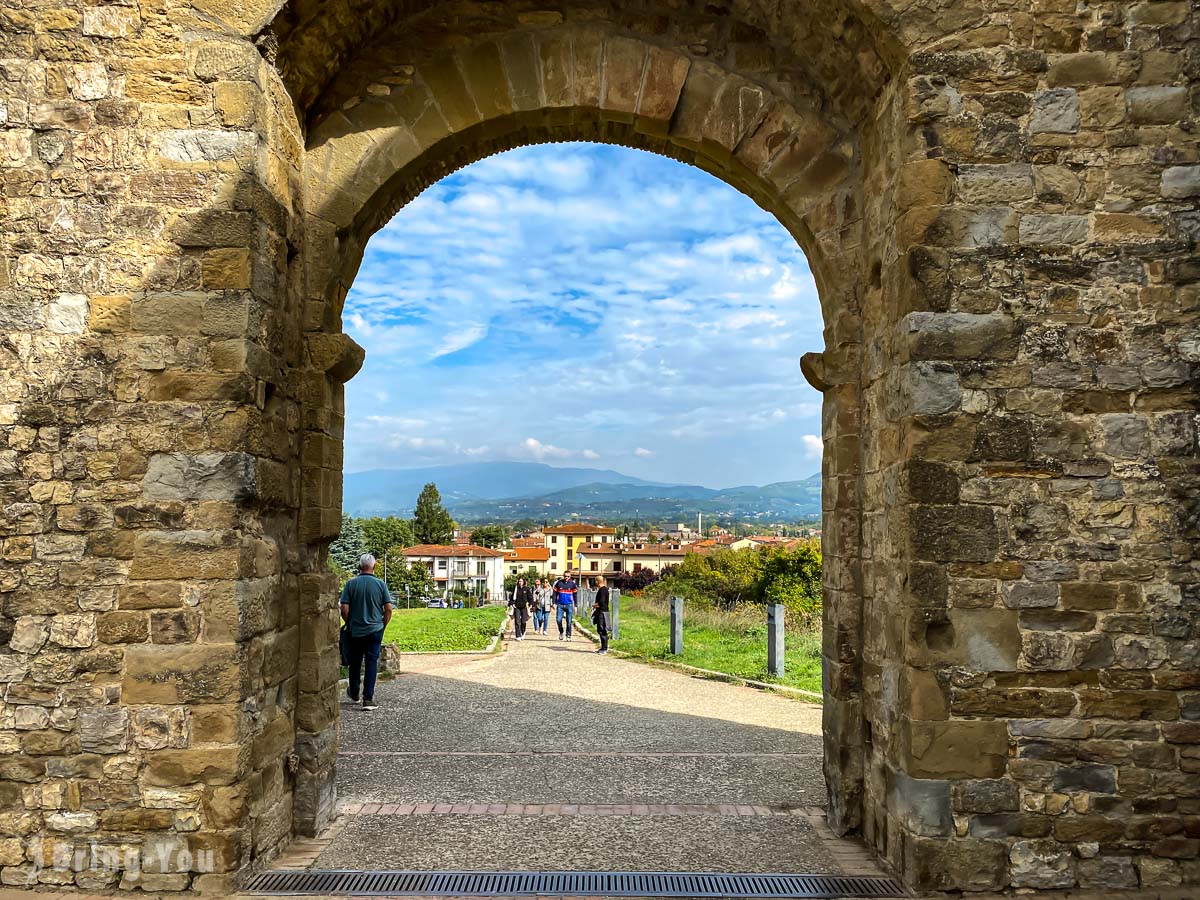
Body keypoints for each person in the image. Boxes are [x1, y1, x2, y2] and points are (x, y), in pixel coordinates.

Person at [339, 554, 393, 711]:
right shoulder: (381, 584)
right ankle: (368, 699)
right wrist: (382, 624)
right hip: (375, 629)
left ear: (359, 566)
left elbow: (344, 608)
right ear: (374, 567)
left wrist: (349, 622)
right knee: (371, 662)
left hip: (355, 630)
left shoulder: (351, 584)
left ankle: (354, 692)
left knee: (355, 662)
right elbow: (388, 609)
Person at [552, 571, 578, 640]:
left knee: (569, 621)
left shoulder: (572, 584)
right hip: (560, 605)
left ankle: (568, 635)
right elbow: (554, 593)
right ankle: (561, 632)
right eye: (565, 576)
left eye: (568, 576)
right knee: (558, 620)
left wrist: (575, 606)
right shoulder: (559, 583)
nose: (566, 578)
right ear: (563, 576)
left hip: (569, 604)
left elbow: (575, 595)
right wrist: (554, 603)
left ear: (570, 577)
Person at [591, 576, 611, 654]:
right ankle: (603, 647)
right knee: (601, 630)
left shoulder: (602, 590)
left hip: (602, 613)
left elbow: (602, 602)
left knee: (602, 630)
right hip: (603, 612)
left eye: (595, 581)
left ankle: (604, 648)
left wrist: (594, 606)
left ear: (597, 581)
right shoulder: (604, 589)